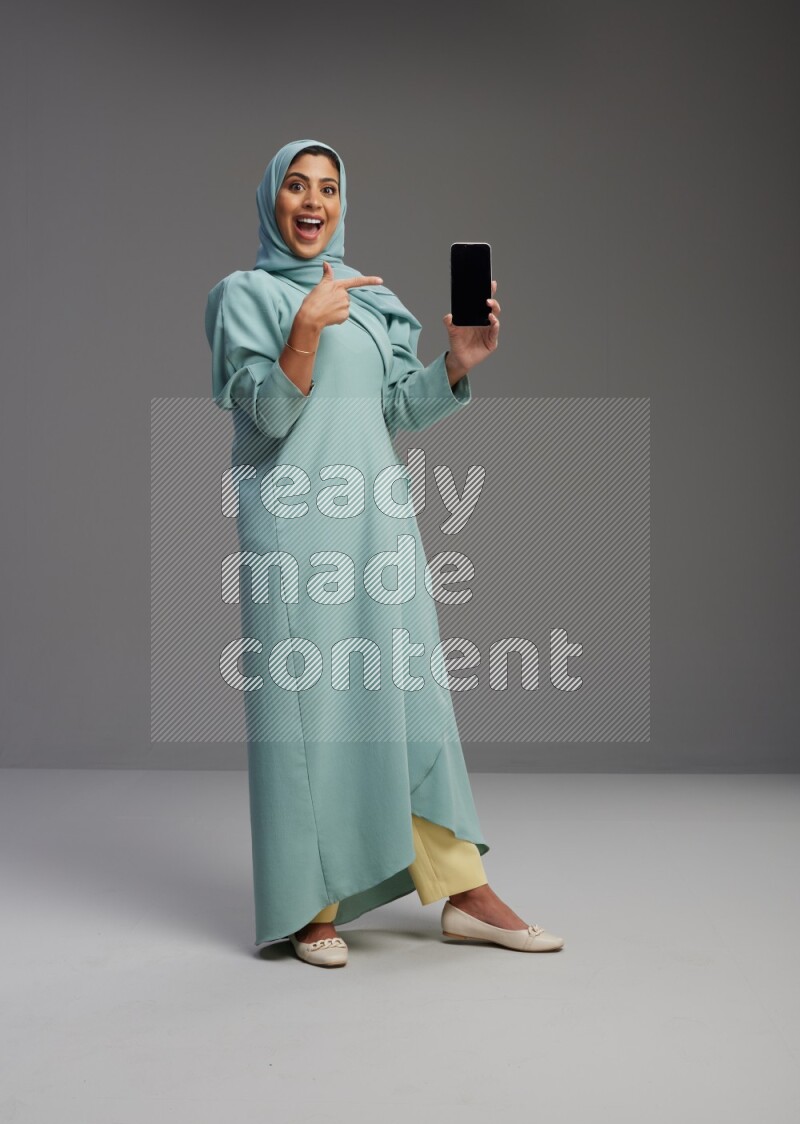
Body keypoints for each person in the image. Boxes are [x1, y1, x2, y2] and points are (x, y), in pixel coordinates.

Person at [205, 138, 564, 967]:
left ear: (341, 203)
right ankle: (311, 902)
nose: (312, 200)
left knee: (410, 700)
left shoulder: (368, 300)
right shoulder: (245, 296)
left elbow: (399, 408)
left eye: (327, 188)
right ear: (272, 200)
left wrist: (457, 365)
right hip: (296, 534)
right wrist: (301, 332)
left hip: (377, 525)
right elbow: (264, 416)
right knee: (314, 714)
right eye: (295, 185)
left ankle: (463, 891)